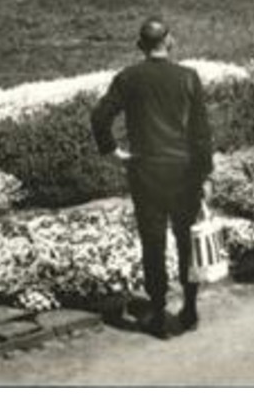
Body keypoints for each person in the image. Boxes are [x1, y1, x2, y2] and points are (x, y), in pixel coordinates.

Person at [91, 17, 215, 339]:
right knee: (187, 240)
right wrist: (205, 174)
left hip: (145, 171)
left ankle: (158, 312)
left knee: (153, 242)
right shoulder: (188, 77)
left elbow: (100, 115)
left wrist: (113, 151)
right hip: (184, 171)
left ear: (140, 46)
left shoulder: (129, 78)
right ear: (169, 41)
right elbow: (201, 133)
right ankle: (189, 307)